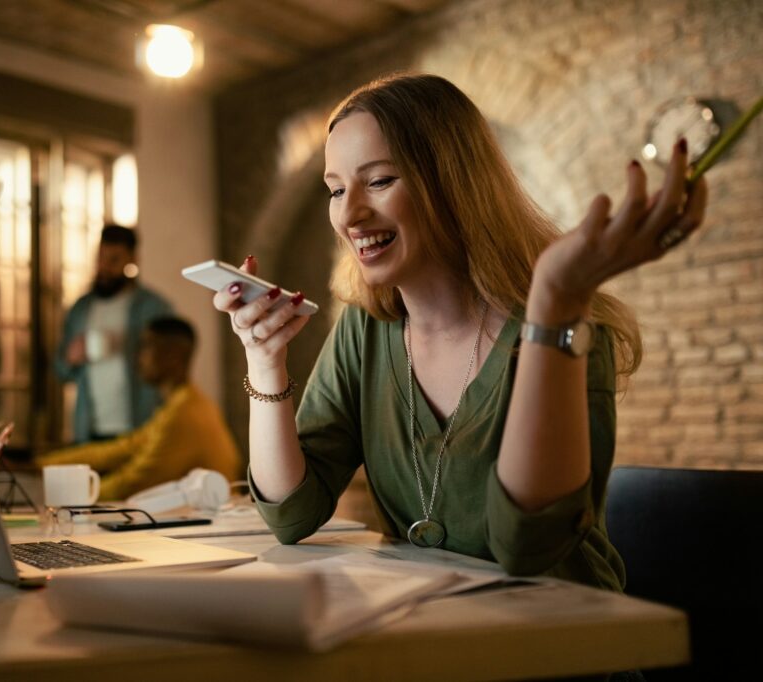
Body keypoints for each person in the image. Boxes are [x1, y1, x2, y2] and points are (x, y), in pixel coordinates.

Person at [212, 73, 707, 591]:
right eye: (336, 190)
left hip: (562, 647)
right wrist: (263, 360)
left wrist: (556, 305)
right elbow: (290, 515)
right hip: (430, 634)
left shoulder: (566, 326)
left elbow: (527, 546)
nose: (350, 214)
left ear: (452, 180)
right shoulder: (365, 326)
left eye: (379, 181)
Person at [40, 315, 242, 500]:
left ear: (173, 355)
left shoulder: (184, 414)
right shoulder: (181, 403)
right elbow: (122, 448)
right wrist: (42, 464)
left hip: (216, 522)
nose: (138, 357)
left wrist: (66, 492)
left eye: (146, 346)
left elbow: (133, 482)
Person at [56, 224, 173, 444]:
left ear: (133, 259)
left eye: (114, 260)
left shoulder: (154, 307)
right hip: (88, 428)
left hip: (141, 426)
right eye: (100, 258)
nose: (104, 267)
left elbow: (172, 367)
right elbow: (61, 371)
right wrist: (71, 358)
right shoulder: (80, 309)